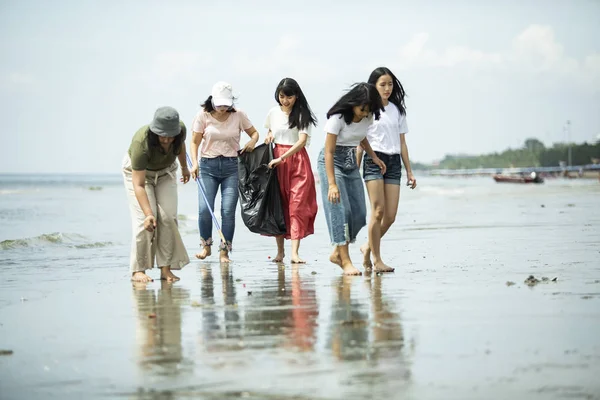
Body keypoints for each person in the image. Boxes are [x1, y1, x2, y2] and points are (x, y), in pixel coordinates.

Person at [318, 83, 387, 275]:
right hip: (331, 162)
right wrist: (332, 183)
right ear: (353, 103)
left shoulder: (368, 117)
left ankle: (337, 253)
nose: (364, 114)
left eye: (368, 110)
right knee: (340, 210)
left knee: (358, 213)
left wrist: (373, 156)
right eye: (362, 109)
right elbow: (329, 151)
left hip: (350, 162)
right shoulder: (337, 118)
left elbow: (360, 137)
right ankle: (345, 260)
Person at [190, 81, 260, 263]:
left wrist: (251, 142)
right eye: (219, 104)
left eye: (225, 104)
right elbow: (194, 142)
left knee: (228, 211)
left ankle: (224, 251)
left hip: (231, 166)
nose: (222, 108)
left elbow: (254, 134)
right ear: (212, 100)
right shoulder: (203, 116)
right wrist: (195, 163)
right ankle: (206, 245)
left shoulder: (239, 115)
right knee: (205, 209)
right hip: (207, 166)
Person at [357, 67, 417, 273]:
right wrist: (355, 169)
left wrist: (409, 171)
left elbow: (403, 143)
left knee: (390, 216)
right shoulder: (367, 109)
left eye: (390, 84)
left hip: (393, 163)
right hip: (374, 160)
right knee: (378, 211)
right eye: (382, 84)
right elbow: (360, 141)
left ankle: (367, 247)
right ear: (374, 85)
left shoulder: (397, 110)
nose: (387, 88)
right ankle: (377, 259)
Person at [122, 106, 191, 283]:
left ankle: (165, 269)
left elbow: (181, 146)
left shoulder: (180, 130)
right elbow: (138, 184)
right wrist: (148, 214)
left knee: (168, 218)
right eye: (162, 135)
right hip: (139, 176)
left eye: (170, 135)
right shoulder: (141, 143)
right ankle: (138, 270)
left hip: (166, 172)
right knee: (145, 223)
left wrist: (184, 168)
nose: (167, 140)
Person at [264, 78, 318, 264]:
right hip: (276, 162)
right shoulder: (273, 112)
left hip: (297, 162)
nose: (285, 101)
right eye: (281, 96)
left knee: (296, 206)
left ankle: (294, 252)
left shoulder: (302, 115)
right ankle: (280, 252)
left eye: (289, 97)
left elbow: (302, 141)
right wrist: (269, 135)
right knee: (279, 205)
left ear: (296, 96)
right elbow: (271, 131)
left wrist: (282, 157)